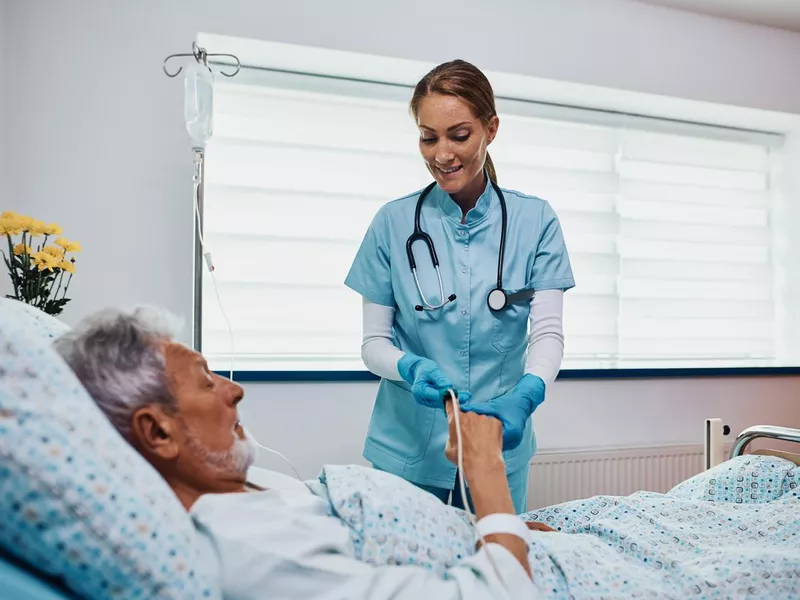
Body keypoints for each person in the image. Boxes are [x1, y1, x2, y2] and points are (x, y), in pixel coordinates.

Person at [53, 307, 548, 599]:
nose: (234, 390)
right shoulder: (249, 550)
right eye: (206, 381)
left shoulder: (246, 488)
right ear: (158, 433)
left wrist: (496, 527)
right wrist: (486, 479)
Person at [344, 59, 575, 513]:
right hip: (406, 446)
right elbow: (373, 344)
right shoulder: (392, 223)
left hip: (497, 445)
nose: (441, 154)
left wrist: (527, 394)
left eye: (459, 135)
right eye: (428, 137)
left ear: (491, 129)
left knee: (495, 571)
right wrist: (408, 368)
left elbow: (547, 334)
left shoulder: (536, 221)